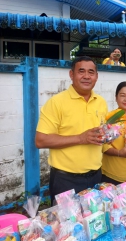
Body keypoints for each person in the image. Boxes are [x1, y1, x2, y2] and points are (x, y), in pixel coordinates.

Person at [35, 56, 108, 204]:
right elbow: (40, 140)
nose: (86, 76)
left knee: (94, 222)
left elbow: (101, 136)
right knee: (67, 225)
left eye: (91, 72)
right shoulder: (56, 103)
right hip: (66, 181)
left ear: (96, 76)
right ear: (71, 74)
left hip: (96, 176)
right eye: (81, 71)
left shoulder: (101, 102)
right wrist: (81, 138)